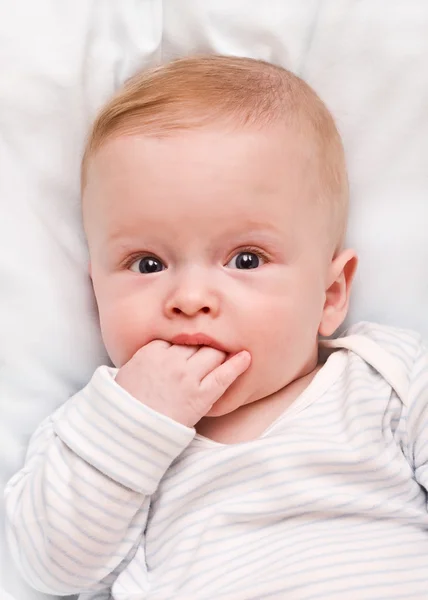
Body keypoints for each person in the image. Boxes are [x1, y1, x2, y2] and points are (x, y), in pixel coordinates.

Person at [5, 55, 428, 600]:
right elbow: (48, 569)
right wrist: (135, 420)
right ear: (95, 291)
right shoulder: (100, 436)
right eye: (147, 264)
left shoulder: (386, 376)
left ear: (330, 295)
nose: (190, 299)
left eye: (246, 259)